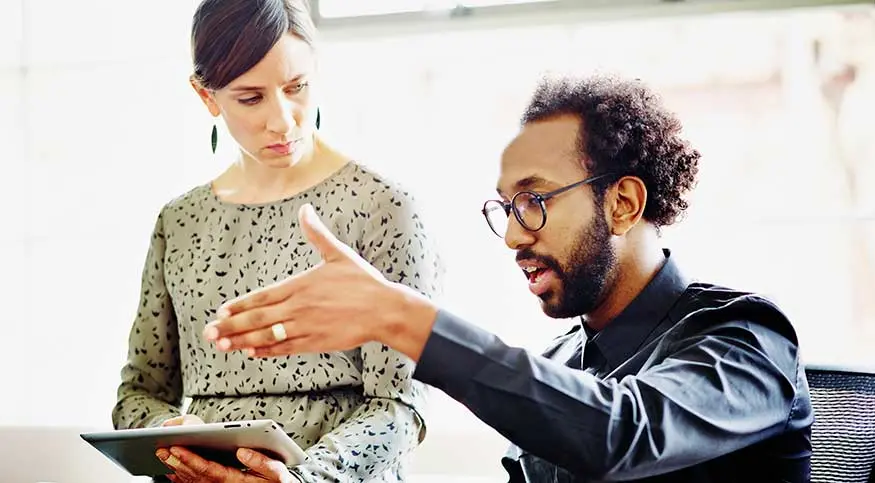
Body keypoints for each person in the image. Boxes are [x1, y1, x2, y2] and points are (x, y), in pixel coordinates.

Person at [205, 74, 814, 482]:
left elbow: (622, 433)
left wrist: (402, 317)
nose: (517, 236)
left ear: (623, 203)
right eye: (506, 210)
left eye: (535, 202)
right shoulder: (565, 363)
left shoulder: (744, 339)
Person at [111, 0, 443, 482]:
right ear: (207, 97)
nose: (283, 120)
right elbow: (137, 394)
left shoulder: (381, 207)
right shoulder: (178, 222)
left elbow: (400, 404)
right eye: (251, 98)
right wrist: (173, 437)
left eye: (297, 87)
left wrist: (305, 477)